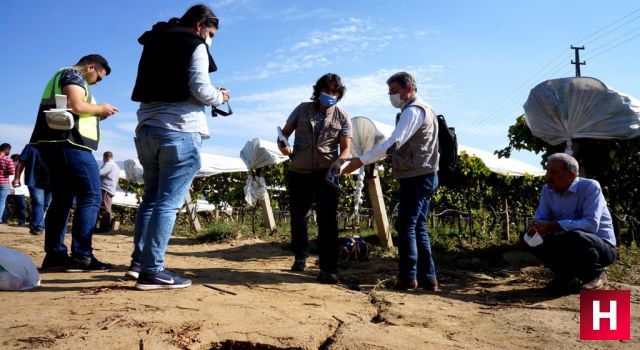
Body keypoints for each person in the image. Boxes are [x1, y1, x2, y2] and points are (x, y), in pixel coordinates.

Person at [127, 4, 229, 290]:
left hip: (146, 129)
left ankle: (138, 263)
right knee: (168, 203)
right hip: (179, 131)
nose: (210, 39)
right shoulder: (195, 45)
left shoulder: (154, 41)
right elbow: (200, 88)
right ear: (200, 25)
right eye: (210, 33)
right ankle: (153, 271)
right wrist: (219, 97)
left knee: (150, 199)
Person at [342, 72, 440, 291]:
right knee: (418, 227)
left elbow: (393, 144)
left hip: (416, 177)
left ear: (410, 89)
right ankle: (428, 278)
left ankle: (408, 277)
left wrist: (361, 160)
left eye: (395, 91)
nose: (392, 96)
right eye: (390, 92)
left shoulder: (413, 111)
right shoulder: (426, 109)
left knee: (405, 226)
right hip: (425, 174)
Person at [28, 54, 119, 271]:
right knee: (91, 195)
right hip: (70, 144)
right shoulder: (73, 74)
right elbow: (75, 104)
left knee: (62, 198)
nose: (97, 82)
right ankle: (82, 256)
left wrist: (95, 115)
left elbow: (72, 108)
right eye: (99, 77)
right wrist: (100, 109)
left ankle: (55, 256)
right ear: (91, 67)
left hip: (52, 144)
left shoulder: (62, 75)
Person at [277, 73, 352, 284]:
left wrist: (340, 160)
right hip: (299, 171)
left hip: (326, 173)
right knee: (299, 218)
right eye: (326, 91)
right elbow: (283, 135)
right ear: (317, 91)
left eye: (334, 92)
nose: (330, 95)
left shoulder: (342, 116)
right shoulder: (302, 109)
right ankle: (301, 255)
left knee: (328, 222)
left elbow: (346, 148)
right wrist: (283, 146)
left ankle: (329, 269)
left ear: (339, 94)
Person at [522, 153, 616, 294]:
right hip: (569, 243)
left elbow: (591, 225)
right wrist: (536, 226)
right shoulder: (547, 190)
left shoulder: (590, 187)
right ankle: (565, 276)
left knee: (574, 236)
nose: (548, 176)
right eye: (547, 170)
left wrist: (554, 225)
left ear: (571, 175)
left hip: (601, 248)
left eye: (553, 172)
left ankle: (595, 274)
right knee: (528, 237)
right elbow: (541, 217)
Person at [13, 144, 52, 235]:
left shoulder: (56, 145)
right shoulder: (30, 146)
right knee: (38, 202)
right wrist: (17, 178)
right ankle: (39, 227)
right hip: (34, 180)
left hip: (51, 181)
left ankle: (34, 224)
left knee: (45, 205)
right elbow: (21, 162)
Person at [96, 151, 120, 233]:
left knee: (104, 208)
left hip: (105, 188)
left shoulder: (108, 164)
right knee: (107, 207)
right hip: (110, 189)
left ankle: (104, 227)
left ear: (105, 157)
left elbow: (99, 173)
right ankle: (105, 227)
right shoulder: (116, 166)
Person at [3, 154, 27, 226]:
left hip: (17, 189)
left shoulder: (23, 166)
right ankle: (20, 222)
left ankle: (21, 222)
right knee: (20, 206)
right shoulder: (8, 165)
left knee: (21, 206)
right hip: (10, 188)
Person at [0, 143, 15, 224]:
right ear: (6, 149)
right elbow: (12, 171)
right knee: (1, 202)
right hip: (3, 183)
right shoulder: (7, 159)